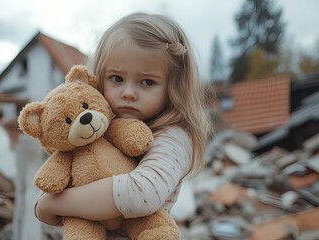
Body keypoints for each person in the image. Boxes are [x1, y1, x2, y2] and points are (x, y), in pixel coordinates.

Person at [35, 12, 211, 238]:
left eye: (147, 82)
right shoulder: (96, 130)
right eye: (117, 79)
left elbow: (142, 193)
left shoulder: (174, 136)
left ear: (173, 86)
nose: (128, 93)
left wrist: (53, 204)